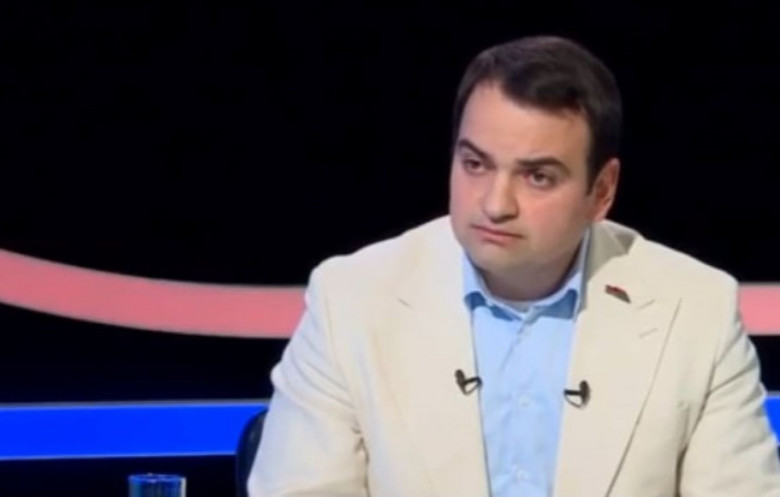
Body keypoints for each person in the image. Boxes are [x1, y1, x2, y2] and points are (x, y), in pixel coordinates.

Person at [247, 35, 780, 497]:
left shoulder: (696, 311)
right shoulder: (351, 300)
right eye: (475, 164)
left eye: (538, 176)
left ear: (602, 191)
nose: (495, 203)